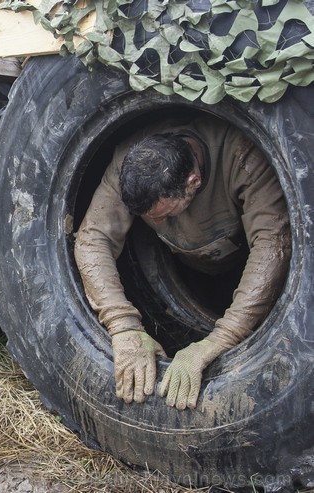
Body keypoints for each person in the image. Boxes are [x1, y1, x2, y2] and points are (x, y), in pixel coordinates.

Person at [74, 115, 291, 411]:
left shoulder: (241, 154)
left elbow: (273, 245)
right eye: (147, 217)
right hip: (187, 267)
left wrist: (217, 342)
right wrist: (123, 327)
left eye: (164, 214)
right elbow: (92, 238)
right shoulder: (132, 159)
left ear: (194, 181)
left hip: (244, 262)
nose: (156, 223)